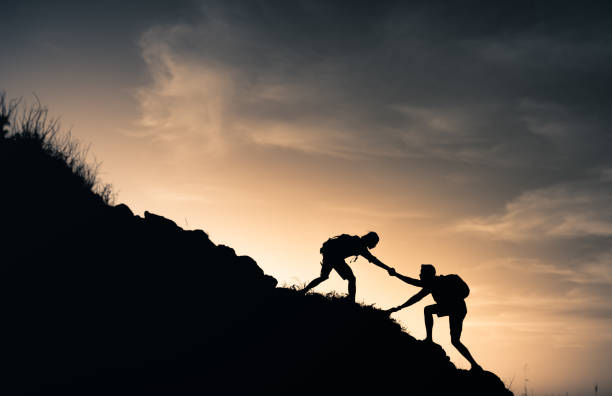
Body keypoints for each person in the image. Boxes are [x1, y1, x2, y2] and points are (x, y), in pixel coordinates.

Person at [386, 264, 482, 371]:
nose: (419, 275)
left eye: (421, 273)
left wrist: (396, 275)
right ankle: (475, 365)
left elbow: (414, 283)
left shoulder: (437, 282)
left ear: (428, 274)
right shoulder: (431, 285)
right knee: (454, 340)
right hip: (456, 308)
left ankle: (474, 365)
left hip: (457, 308)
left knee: (454, 339)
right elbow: (415, 297)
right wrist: (397, 308)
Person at [302, 232, 391, 302]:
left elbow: (373, 259)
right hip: (335, 256)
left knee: (324, 277)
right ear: (370, 240)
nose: (375, 245)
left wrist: (388, 268)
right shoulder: (361, 246)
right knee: (352, 279)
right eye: (375, 243)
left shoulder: (358, 242)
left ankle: (303, 291)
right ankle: (351, 302)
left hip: (329, 254)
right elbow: (374, 260)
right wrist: (388, 268)